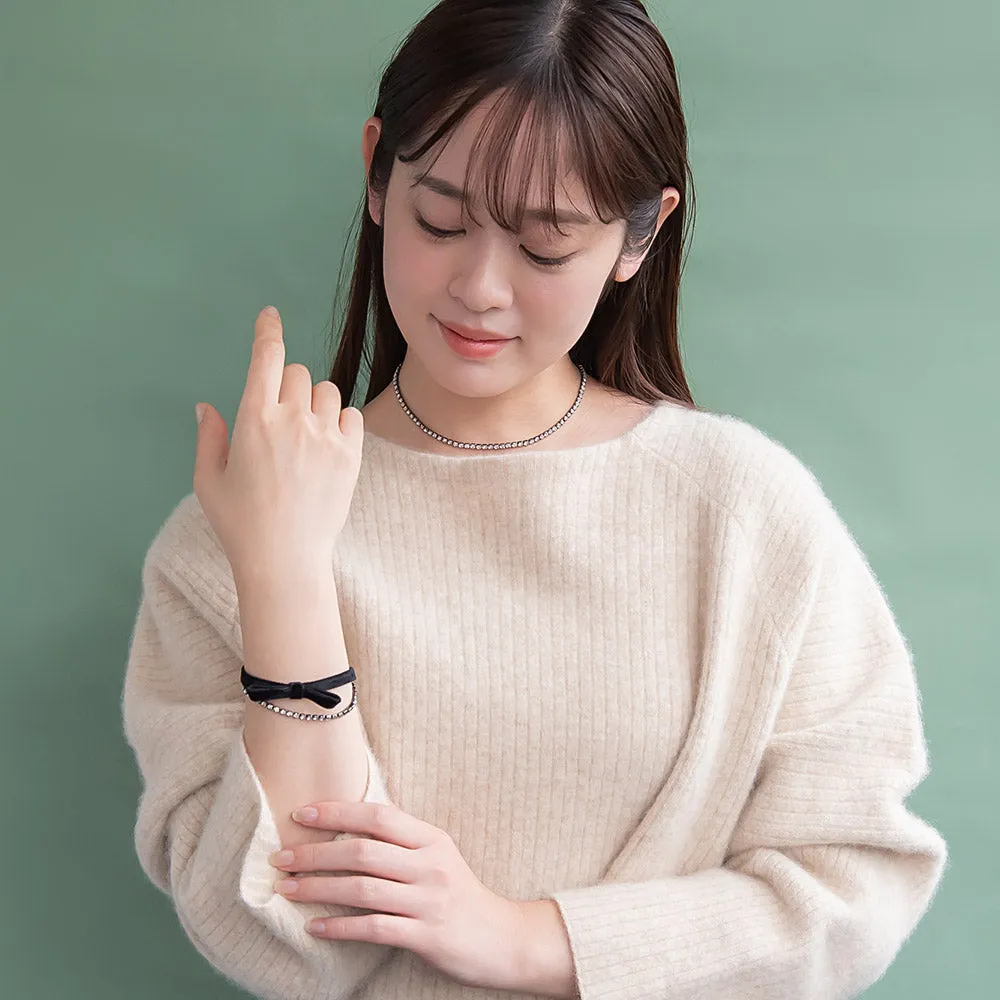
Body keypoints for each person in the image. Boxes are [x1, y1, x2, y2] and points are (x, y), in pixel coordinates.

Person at [121, 1, 948, 998]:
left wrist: (526, 938)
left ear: (640, 235)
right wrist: (286, 576)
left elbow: (852, 881)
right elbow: (283, 942)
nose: (479, 287)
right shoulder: (241, 533)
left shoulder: (742, 513)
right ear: (378, 170)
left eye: (546, 247)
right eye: (440, 218)